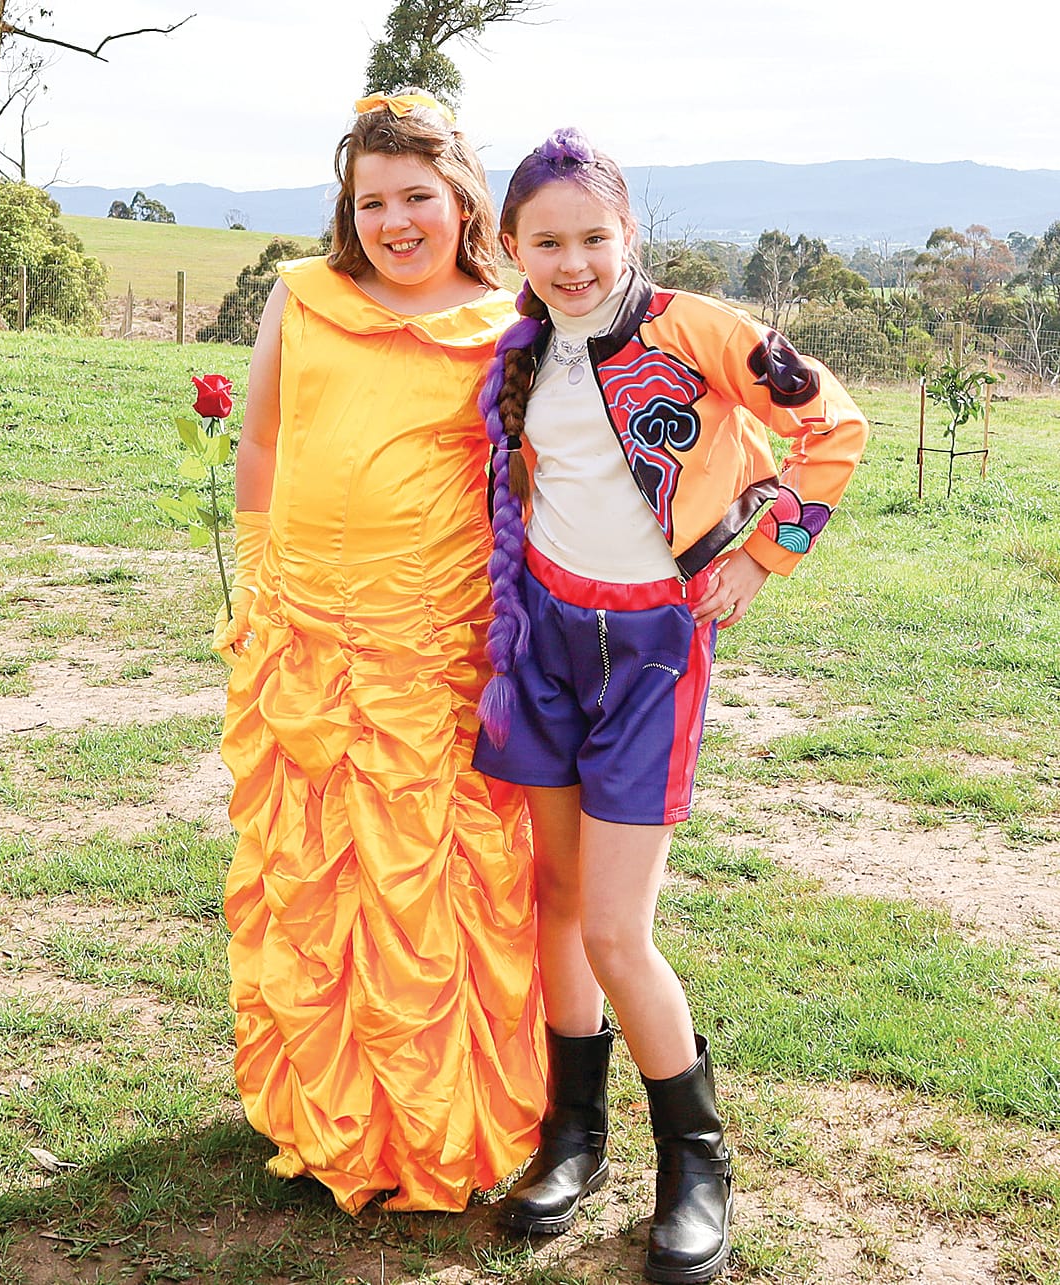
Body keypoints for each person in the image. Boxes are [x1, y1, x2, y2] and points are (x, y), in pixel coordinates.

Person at [473, 128, 869, 1283]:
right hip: (543, 637)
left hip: (653, 647)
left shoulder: (696, 328)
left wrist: (764, 557)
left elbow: (834, 425)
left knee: (613, 928)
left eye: (595, 236)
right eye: (547, 241)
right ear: (512, 247)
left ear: (628, 233)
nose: (575, 260)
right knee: (553, 902)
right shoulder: (519, 350)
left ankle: (696, 1163)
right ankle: (574, 1139)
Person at [212, 92, 547, 1215]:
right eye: (373, 201)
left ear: (461, 201)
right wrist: (261, 587)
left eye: (418, 197)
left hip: (433, 650)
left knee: (430, 890)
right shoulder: (302, 296)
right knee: (313, 881)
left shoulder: (511, 324)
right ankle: (320, 1108)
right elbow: (262, 436)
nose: (396, 221)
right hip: (304, 637)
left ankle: (440, 1122)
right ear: (348, 209)